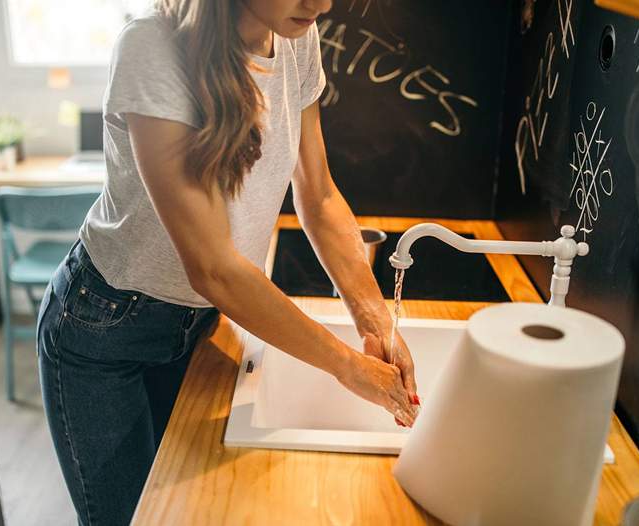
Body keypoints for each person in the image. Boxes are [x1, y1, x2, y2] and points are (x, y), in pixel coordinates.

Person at [36, 0, 420, 524]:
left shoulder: (294, 36)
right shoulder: (154, 47)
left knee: (190, 511)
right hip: (105, 329)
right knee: (131, 518)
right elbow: (213, 267)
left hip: (200, 322)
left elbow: (320, 196)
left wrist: (376, 319)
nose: (322, 4)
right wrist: (348, 367)